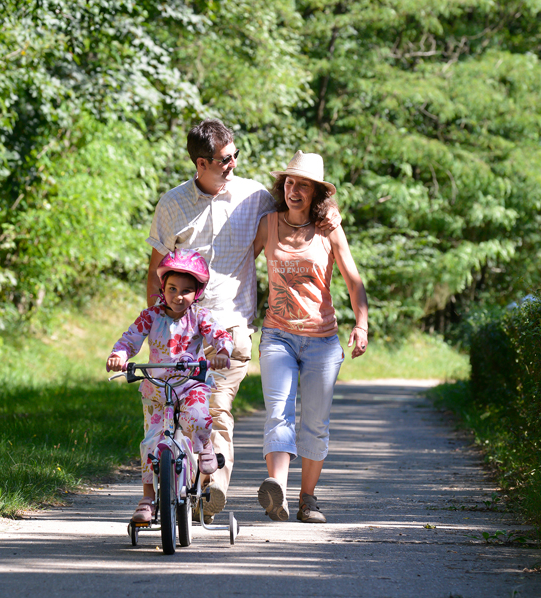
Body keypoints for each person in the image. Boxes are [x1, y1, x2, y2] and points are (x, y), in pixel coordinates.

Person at [146, 119, 341, 521]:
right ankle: (165, 491)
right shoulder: (171, 205)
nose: (233, 163)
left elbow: (300, 209)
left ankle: (212, 489)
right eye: (225, 159)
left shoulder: (255, 196)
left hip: (230, 325)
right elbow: (155, 271)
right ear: (201, 163)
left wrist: (331, 212)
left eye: (235, 154)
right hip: (179, 329)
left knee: (216, 409)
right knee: (170, 413)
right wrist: (155, 326)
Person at [253, 150, 369, 523]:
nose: (294, 190)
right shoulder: (268, 224)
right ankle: (278, 493)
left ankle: (307, 499)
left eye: (303, 185)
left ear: (317, 192)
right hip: (278, 336)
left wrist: (362, 323)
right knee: (278, 414)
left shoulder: (329, 229)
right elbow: (238, 267)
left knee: (315, 424)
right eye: (289, 183)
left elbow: (353, 280)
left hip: (322, 342)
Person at [107, 249, 233, 523]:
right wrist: (119, 355)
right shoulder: (150, 316)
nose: (178, 296)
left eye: (186, 291)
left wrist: (222, 351)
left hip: (190, 385)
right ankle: (148, 498)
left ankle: (205, 446)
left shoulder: (199, 316)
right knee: (151, 442)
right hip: (157, 389)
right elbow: (129, 339)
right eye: (172, 288)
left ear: (197, 293)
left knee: (198, 418)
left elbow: (220, 335)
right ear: (162, 288)